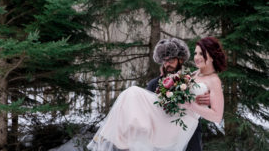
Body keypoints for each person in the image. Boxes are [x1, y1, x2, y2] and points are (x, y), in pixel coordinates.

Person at [87, 36, 226, 151]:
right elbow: (187, 86)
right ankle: (113, 138)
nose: (196, 57)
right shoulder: (194, 74)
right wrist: (170, 82)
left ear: (212, 56)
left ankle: (114, 137)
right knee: (131, 93)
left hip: (183, 125)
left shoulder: (214, 80)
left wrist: (195, 105)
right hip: (168, 121)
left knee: (133, 92)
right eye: (195, 53)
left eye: (201, 54)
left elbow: (217, 116)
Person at [147, 38, 210, 151]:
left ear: (180, 60)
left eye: (170, 60)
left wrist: (207, 101)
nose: (167, 64)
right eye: (164, 61)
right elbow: (148, 112)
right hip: (164, 137)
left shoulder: (193, 82)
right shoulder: (153, 85)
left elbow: (205, 107)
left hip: (190, 135)